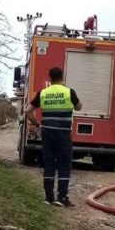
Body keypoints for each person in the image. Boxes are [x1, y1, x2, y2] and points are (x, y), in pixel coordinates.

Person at [24, 66, 82, 207]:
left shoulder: (43, 93)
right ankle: (62, 198)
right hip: (63, 133)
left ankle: (48, 197)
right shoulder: (69, 92)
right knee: (64, 164)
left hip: (47, 132)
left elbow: (27, 111)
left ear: (50, 78)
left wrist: (37, 125)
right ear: (62, 77)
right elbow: (78, 107)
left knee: (49, 163)